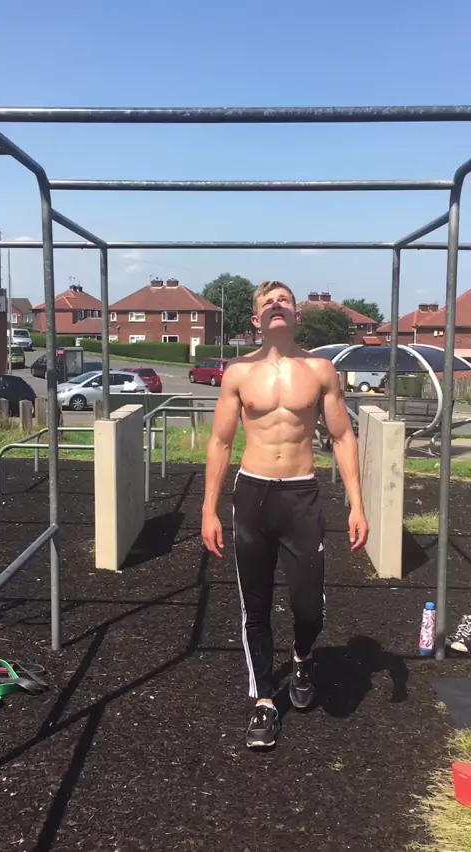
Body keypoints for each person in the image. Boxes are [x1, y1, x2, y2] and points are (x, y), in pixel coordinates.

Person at [201, 280, 368, 748]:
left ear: (296, 315)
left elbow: (342, 437)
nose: (277, 305)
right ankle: (264, 701)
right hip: (253, 495)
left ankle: (301, 655)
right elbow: (220, 441)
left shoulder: (319, 370)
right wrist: (209, 509)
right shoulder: (238, 373)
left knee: (308, 607)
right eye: (268, 302)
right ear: (256, 320)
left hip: (300, 497)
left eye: (284, 301)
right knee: (254, 606)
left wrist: (357, 503)